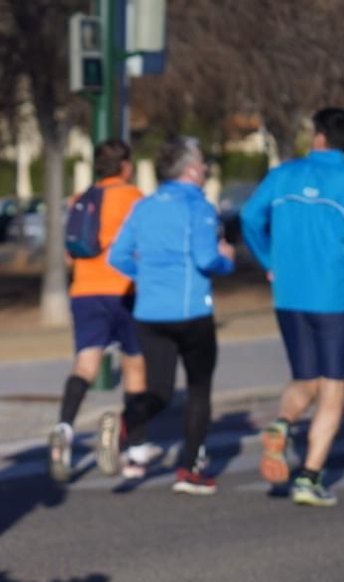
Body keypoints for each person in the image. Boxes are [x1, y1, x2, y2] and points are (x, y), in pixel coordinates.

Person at [241, 106, 344, 507]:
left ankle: (281, 422)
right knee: (333, 386)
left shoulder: (283, 175)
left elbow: (249, 217)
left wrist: (269, 260)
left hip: (288, 296)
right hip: (333, 298)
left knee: (305, 378)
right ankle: (308, 477)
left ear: (319, 137)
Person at [106, 136, 235, 494]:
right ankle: (190, 470)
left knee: (159, 391)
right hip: (191, 311)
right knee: (198, 390)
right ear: (191, 169)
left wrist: (146, 277)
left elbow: (116, 257)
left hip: (149, 313)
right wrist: (228, 259)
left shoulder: (143, 207)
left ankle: (125, 422)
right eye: (202, 162)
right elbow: (207, 259)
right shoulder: (200, 207)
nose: (206, 167)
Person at [48, 140, 148, 482]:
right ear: (126, 166)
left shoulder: (81, 199)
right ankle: (134, 450)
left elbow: (69, 254)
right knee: (135, 367)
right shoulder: (134, 198)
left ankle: (65, 427)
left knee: (85, 365)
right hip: (124, 290)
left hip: (85, 291)